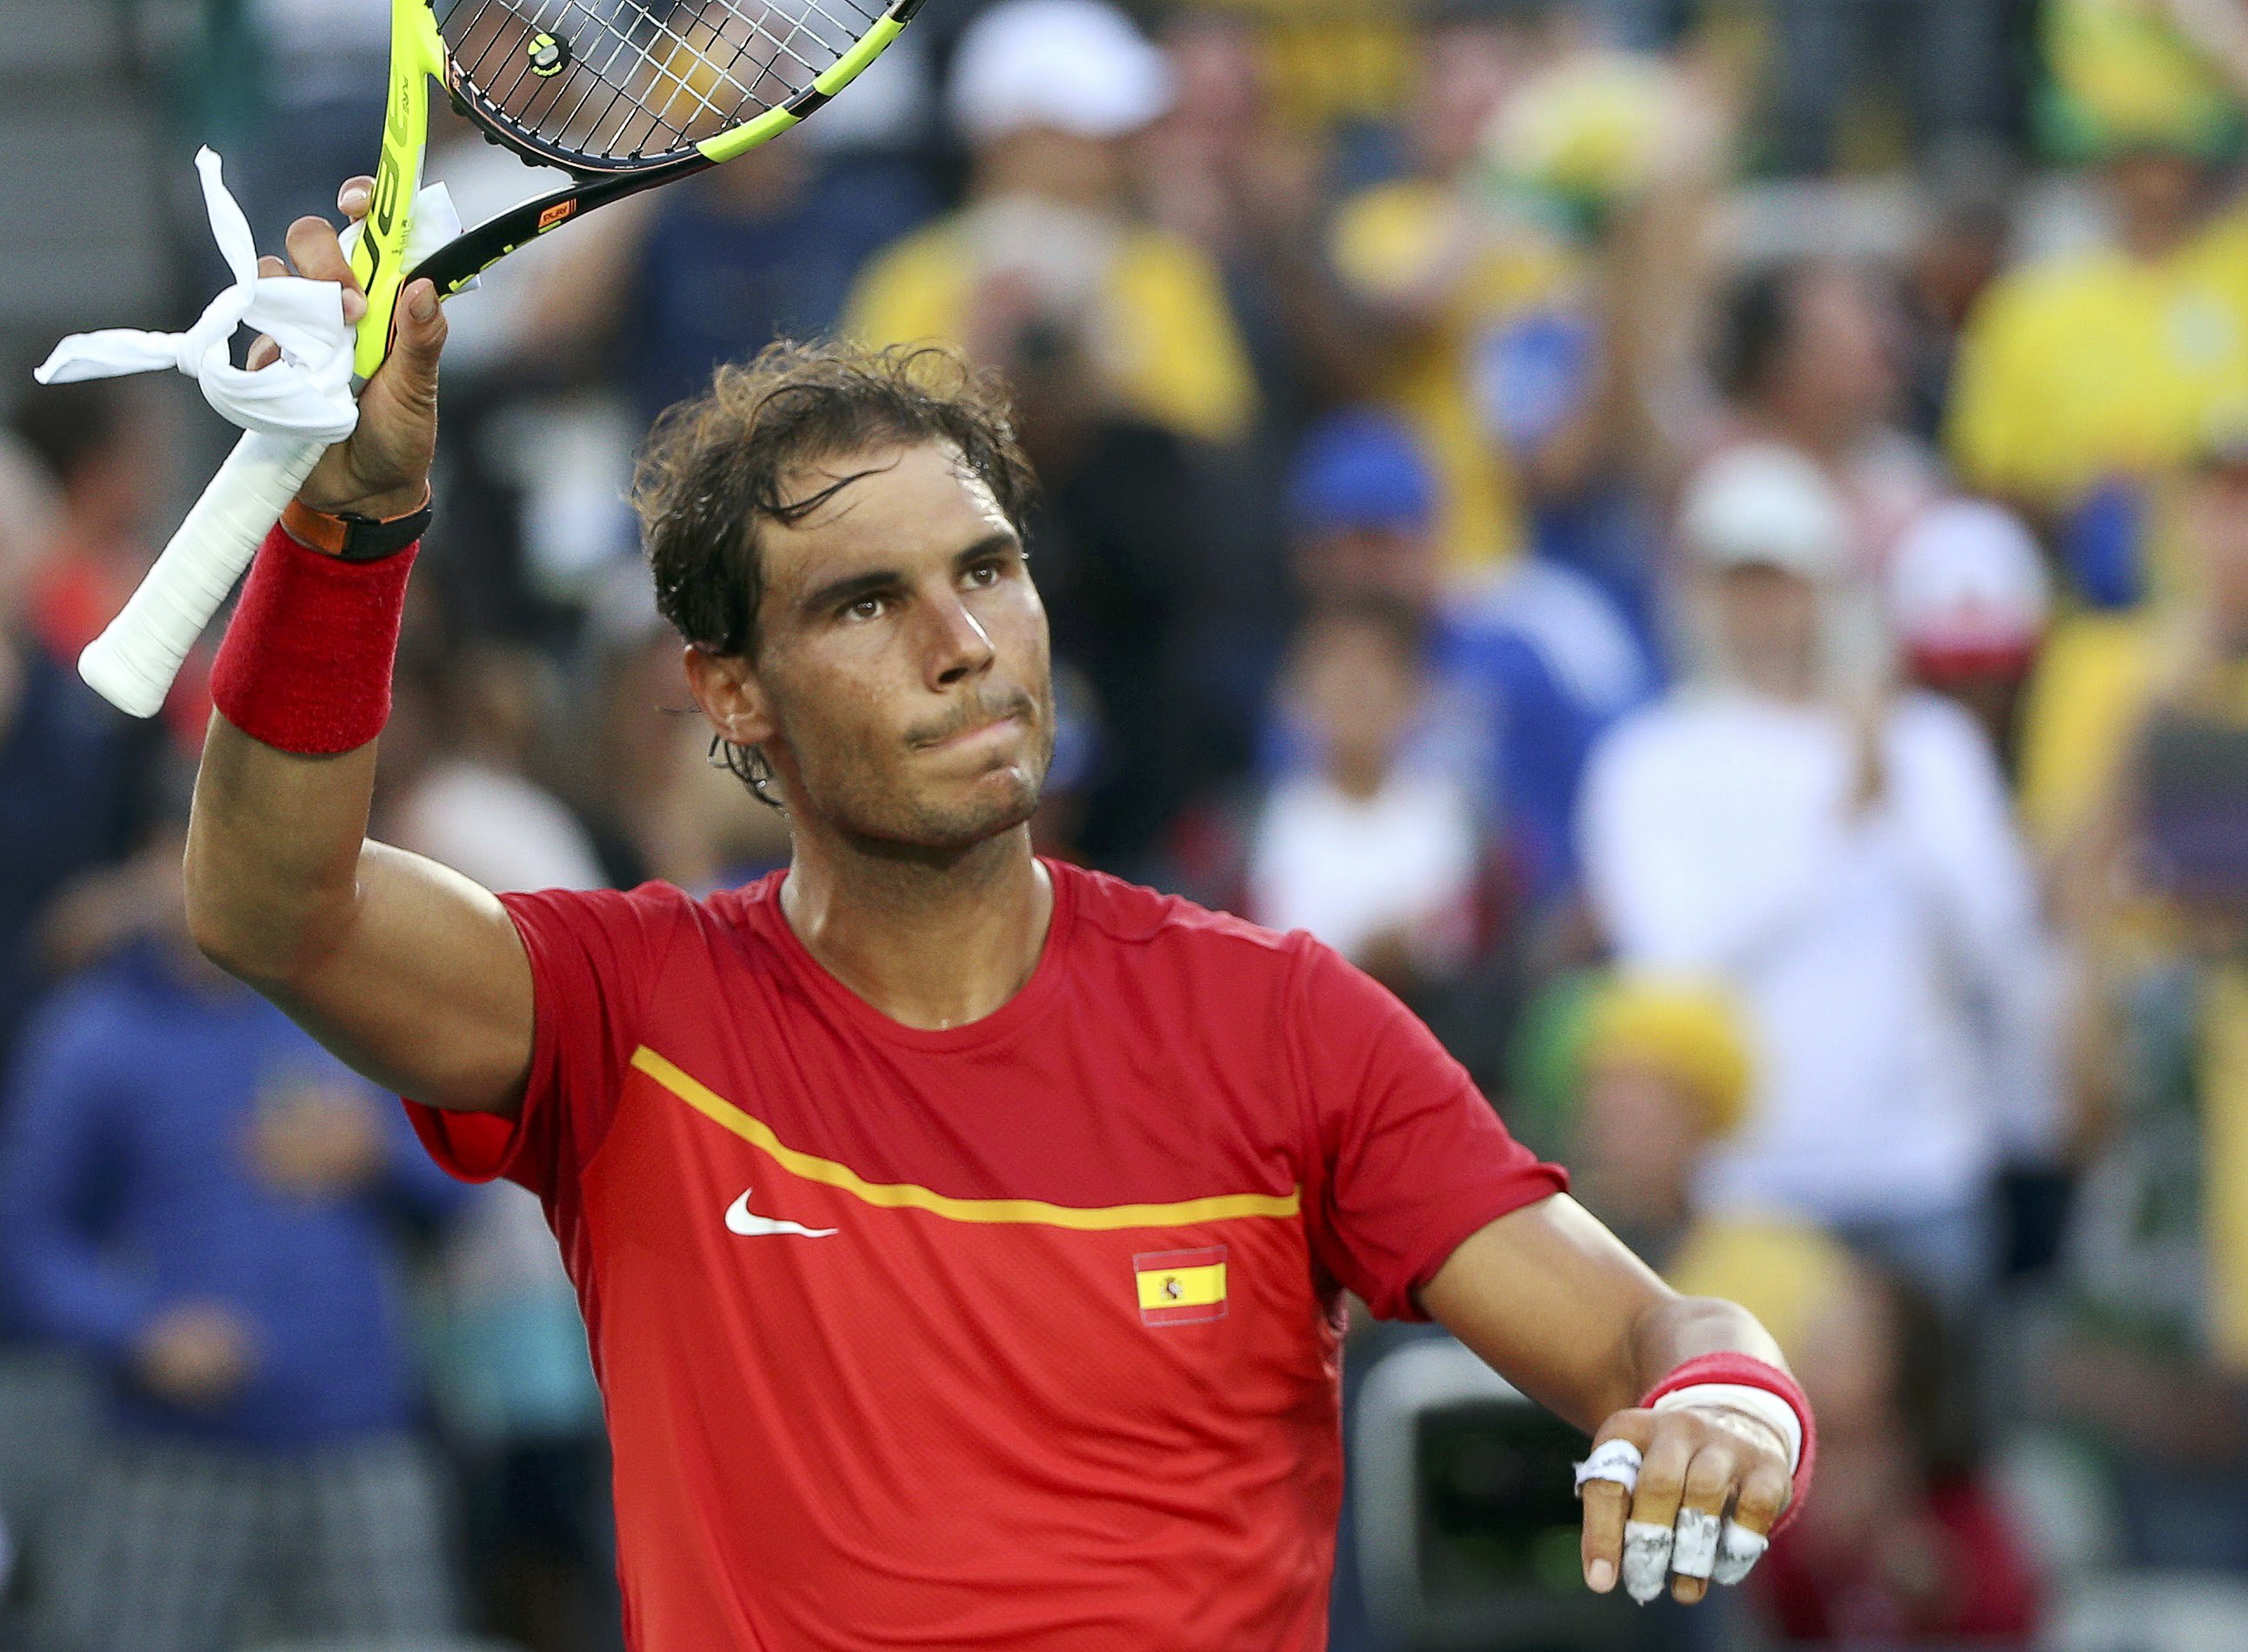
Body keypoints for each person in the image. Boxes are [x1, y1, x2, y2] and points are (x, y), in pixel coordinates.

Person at [181, 187, 1816, 1648]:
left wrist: (1724, 1400)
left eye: (989, 568)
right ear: (730, 695)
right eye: (866, 601)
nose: (964, 641)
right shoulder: (631, 1012)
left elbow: (1653, 1336)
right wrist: (347, 531)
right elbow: (273, 908)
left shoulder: (1281, 1025)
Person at [1578, 443, 2052, 1308]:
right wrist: (1840, 820)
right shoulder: (1650, 761)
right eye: (1740, 582)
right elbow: (1670, 963)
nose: (1766, 609)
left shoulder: (1923, 741)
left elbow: (1998, 937)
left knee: (1942, 1442)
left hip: (1926, 1172)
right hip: (1749, 1187)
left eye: (1786, 580)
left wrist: (1895, 793)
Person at [0, 816, 465, 1652]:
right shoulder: (92, 1034)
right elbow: (25, 1241)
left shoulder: (345, 1000)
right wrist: (139, 1330)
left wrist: (381, 1152)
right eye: (180, 860)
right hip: (171, 1449)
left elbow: (465, 1185)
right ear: (141, 876)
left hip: (357, 1436)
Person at [843, 0, 1257, 448]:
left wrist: (1101, 378)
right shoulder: (918, 278)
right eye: (1096, 129)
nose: (1122, 147)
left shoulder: (1163, 268)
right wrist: (978, 361)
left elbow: (1220, 446)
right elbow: (870, 449)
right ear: (1015, 138)